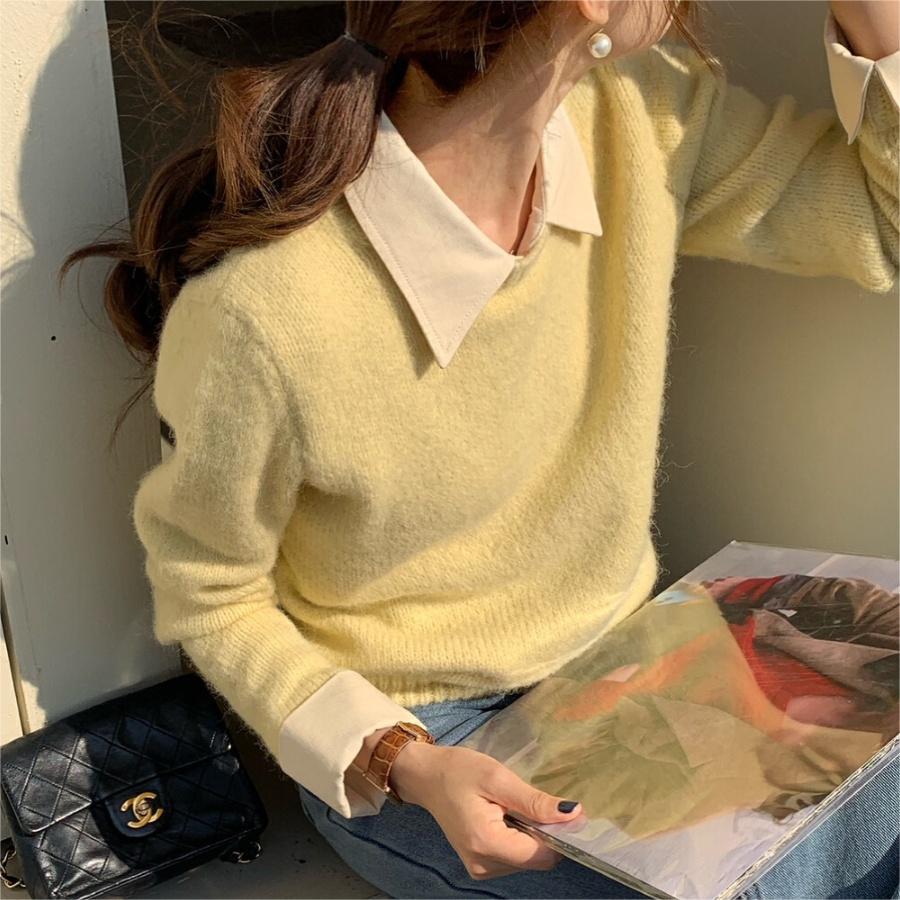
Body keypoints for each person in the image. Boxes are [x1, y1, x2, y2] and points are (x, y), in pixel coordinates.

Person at [62, 0, 899, 896]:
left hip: (637, 656)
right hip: (426, 738)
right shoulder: (267, 312)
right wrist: (399, 759)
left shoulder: (642, 110)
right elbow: (210, 590)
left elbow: (878, 220)